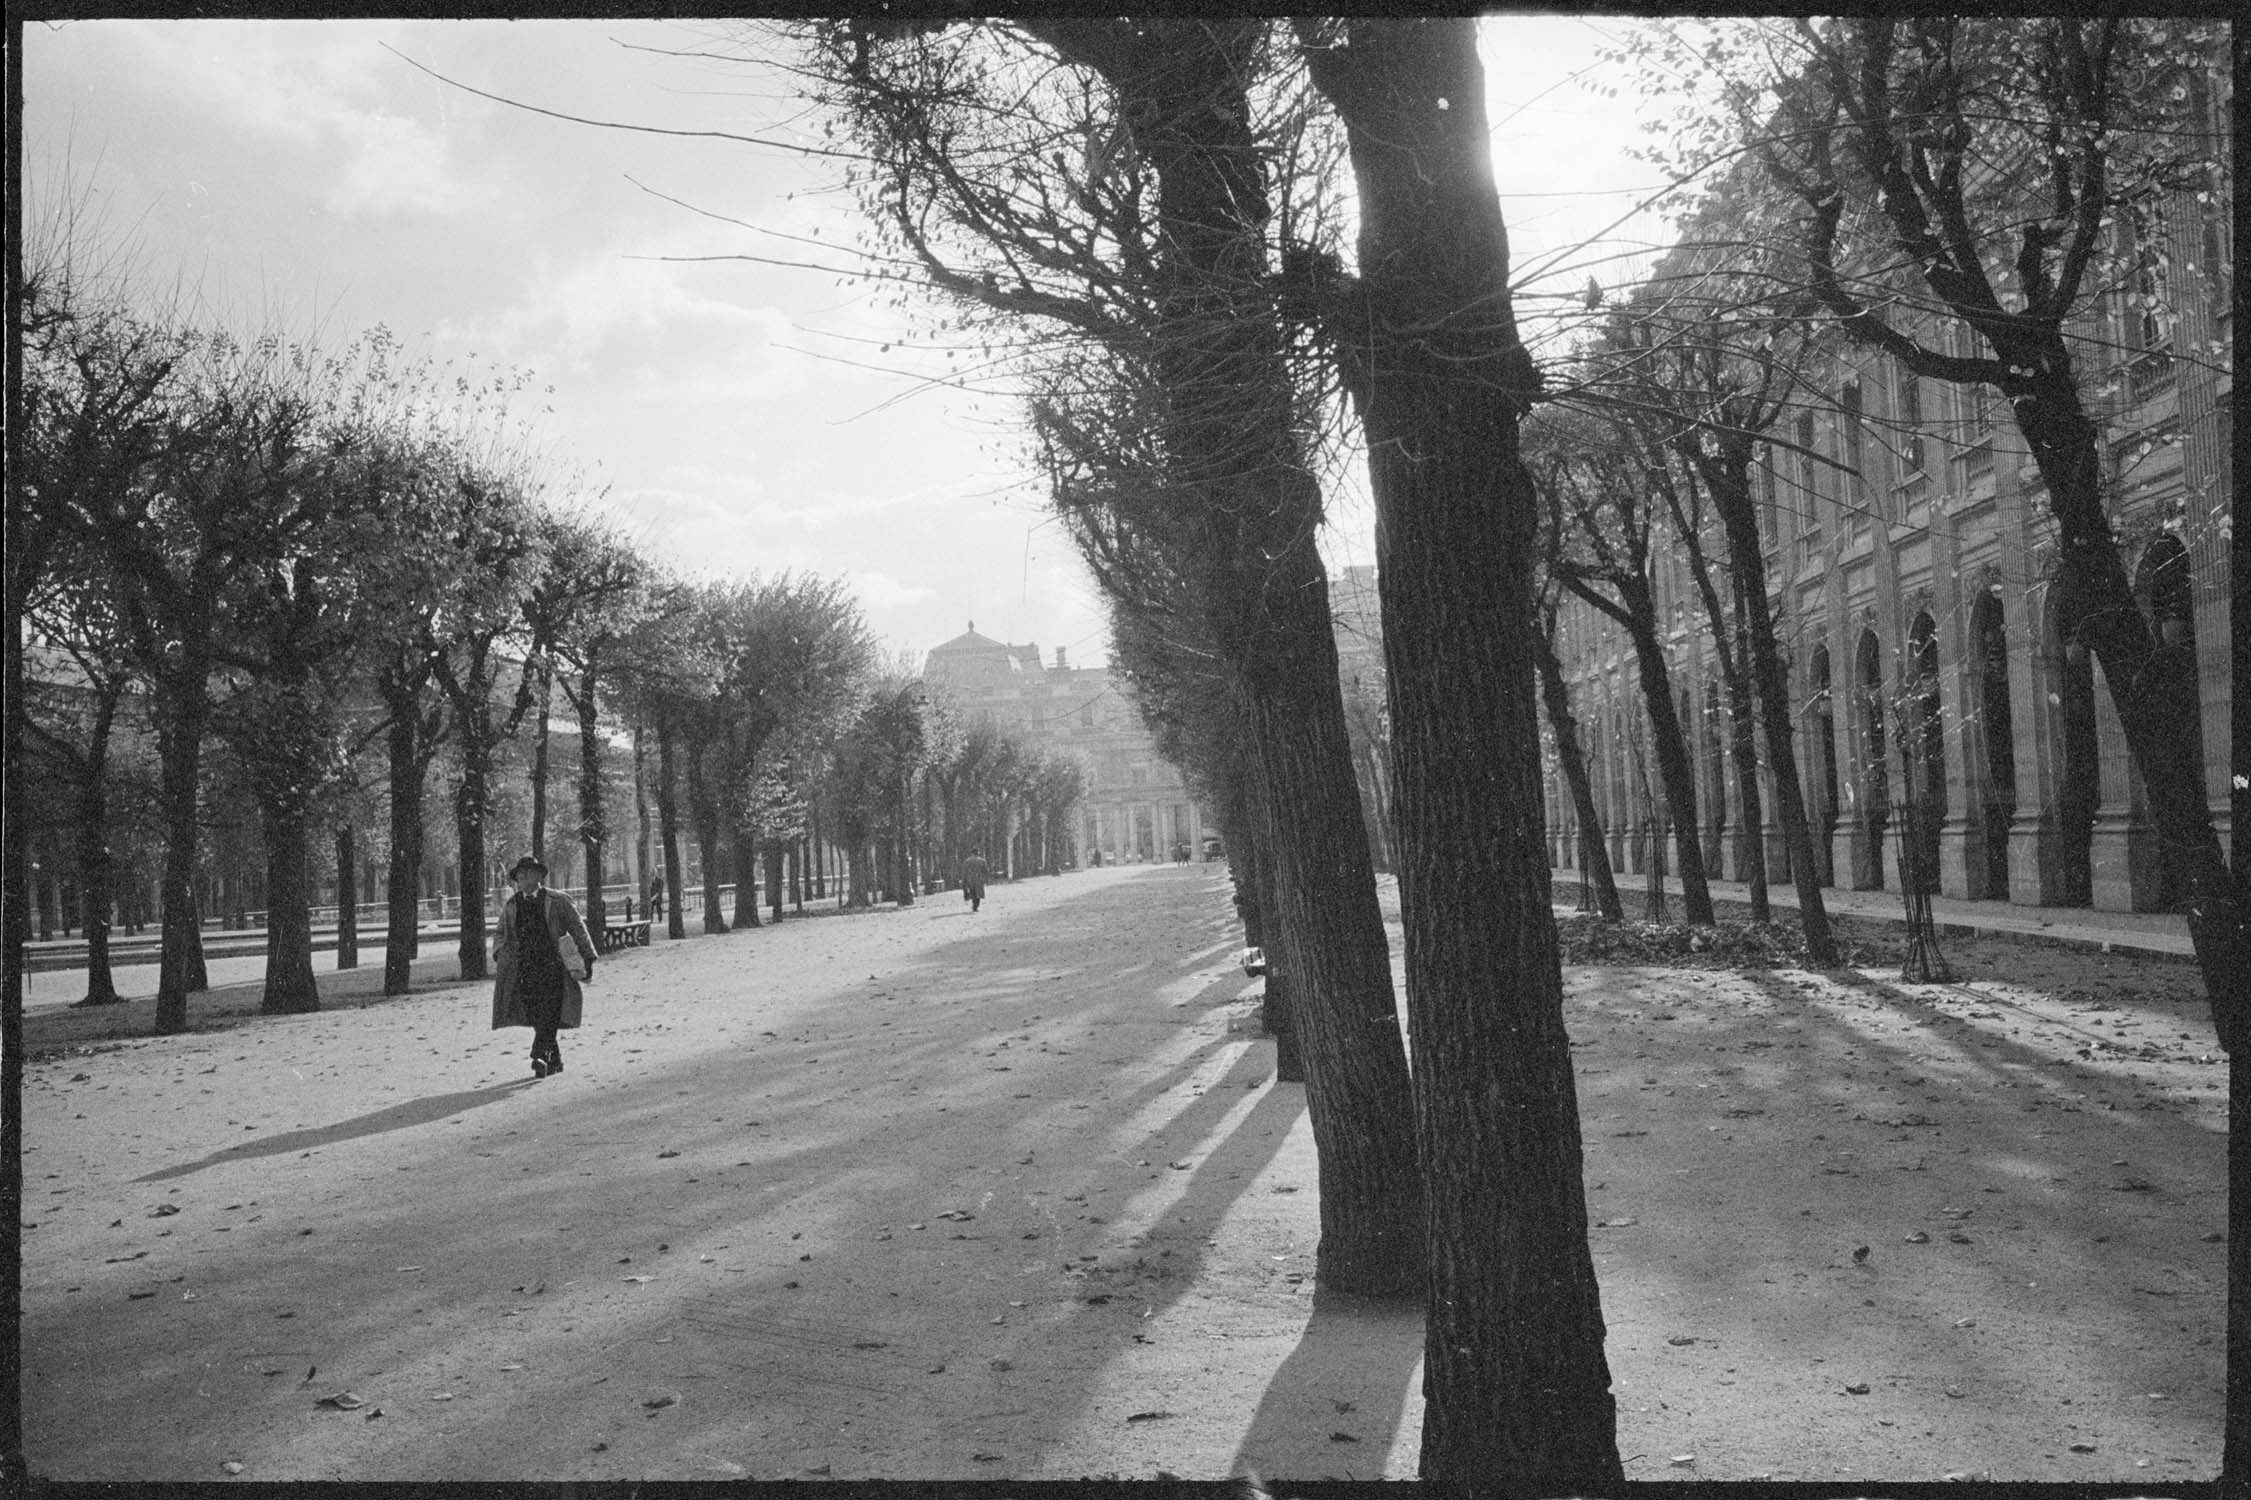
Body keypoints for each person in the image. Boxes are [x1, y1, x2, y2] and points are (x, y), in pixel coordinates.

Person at [491, 855, 597, 1078]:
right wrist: (500, 953)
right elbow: (500, 934)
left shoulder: (558, 901)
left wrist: (588, 957)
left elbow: (578, 928)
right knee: (536, 1013)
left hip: (554, 968)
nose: (523, 877)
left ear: (539, 875)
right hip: (524, 970)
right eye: (519, 874)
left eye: (528, 872)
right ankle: (554, 1059)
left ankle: (538, 1053)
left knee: (550, 1011)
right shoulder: (511, 905)